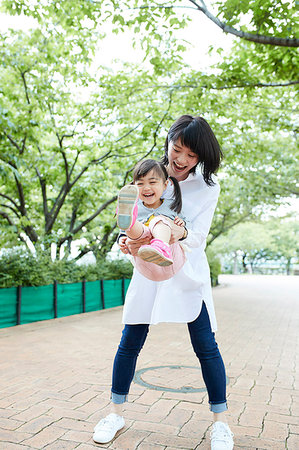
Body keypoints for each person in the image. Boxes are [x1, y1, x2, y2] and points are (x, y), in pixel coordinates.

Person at [93, 115, 234, 450]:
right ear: (168, 142)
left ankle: (220, 424)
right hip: (148, 267)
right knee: (130, 340)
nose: (181, 160)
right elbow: (140, 214)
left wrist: (176, 230)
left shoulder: (208, 187)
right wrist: (127, 241)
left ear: (202, 158)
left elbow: (198, 236)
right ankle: (115, 414)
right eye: (177, 149)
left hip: (184, 269)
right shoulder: (152, 175)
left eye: (191, 155)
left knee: (205, 346)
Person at [116, 159, 188, 281]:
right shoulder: (137, 208)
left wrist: (182, 226)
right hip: (144, 261)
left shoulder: (172, 206)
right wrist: (122, 240)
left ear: (165, 185)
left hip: (171, 259)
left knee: (158, 221)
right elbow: (124, 237)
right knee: (138, 228)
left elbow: (185, 226)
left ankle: (160, 246)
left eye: (152, 182)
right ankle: (130, 223)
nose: (146, 188)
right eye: (140, 184)